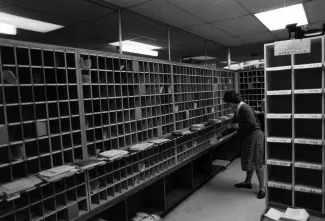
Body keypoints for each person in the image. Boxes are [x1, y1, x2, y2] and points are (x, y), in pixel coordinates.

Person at [223, 91, 265, 199]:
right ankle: (247, 182)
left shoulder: (245, 108)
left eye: (228, 103)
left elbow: (251, 124)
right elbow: (232, 125)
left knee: (257, 162)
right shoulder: (238, 110)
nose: (228, 106)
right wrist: (221, 134)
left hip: (255, 136)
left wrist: (238, 125)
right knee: (251, 160)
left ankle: (262, 189)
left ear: (232, 102)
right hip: (248, 137)